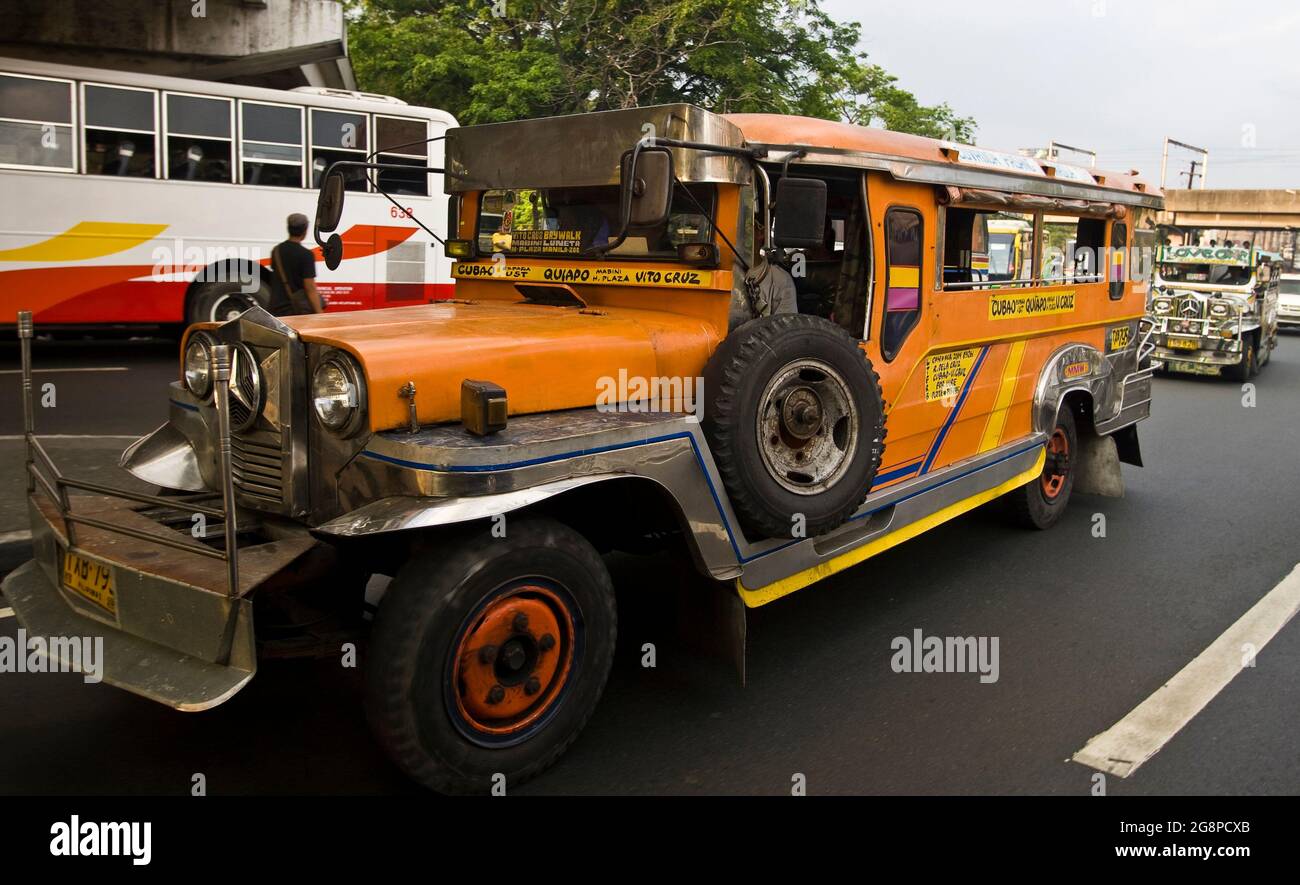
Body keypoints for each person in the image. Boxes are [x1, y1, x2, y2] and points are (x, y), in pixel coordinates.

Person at [270, 213, 324, 315]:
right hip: (294, 310)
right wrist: (319, 312)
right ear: (305, 230)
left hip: (276, 309)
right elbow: (310, 288)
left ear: (288, 228)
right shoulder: (306, 255)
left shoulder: (276, 251)